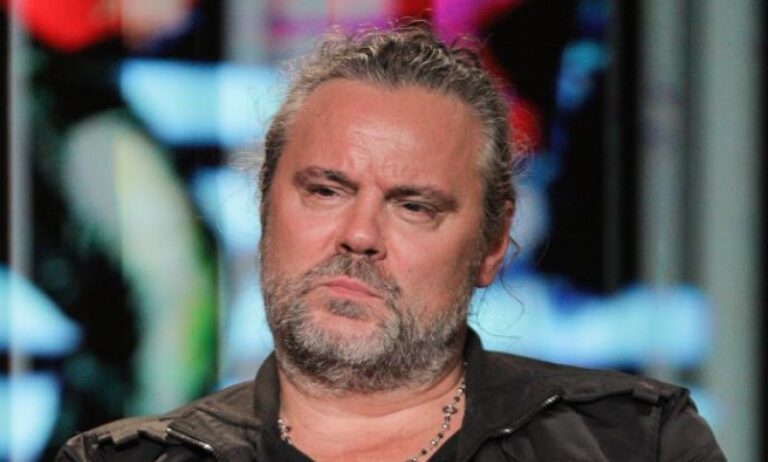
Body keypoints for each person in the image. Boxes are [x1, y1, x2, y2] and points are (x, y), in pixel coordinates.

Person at [57, 24, 726, 462]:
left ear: (493, 243)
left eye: (413, 206)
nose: (359, 236)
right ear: (264, 206)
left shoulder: (636, 443)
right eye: (325, 190)